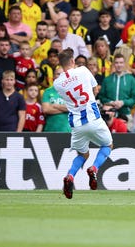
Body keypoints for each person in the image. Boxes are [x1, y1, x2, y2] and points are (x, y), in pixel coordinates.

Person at [56, 48, 113, 200]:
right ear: (73, 61)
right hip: (93, 118)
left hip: (76, 124)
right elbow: (94, 89)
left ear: (60, 65)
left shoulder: (58, 83)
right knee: (108, 145)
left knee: (83, 153)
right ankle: (94, 168)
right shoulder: (83, 70)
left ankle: (70, 176)